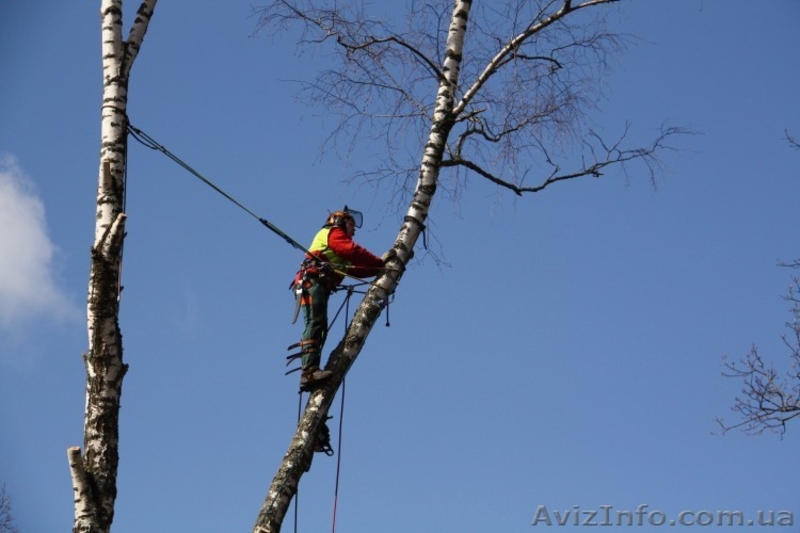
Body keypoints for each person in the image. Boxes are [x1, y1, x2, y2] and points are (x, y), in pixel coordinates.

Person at [292, 207, 384, 391]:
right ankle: (308, 371)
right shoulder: (333, 234)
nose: (355, 230)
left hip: (318, 286)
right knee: (316, 324)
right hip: (312, 282)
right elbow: (352, 250)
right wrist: (381, 263)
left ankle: (311, 371)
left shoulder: (340, 252)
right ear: (340, 222)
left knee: (320, 326)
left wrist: (380, 269)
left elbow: (358, 270)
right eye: (351, 224)